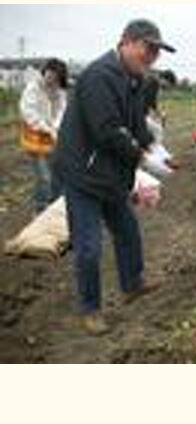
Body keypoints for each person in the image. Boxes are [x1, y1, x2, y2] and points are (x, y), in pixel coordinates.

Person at [53, 19, 176, 334]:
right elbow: (109, 131)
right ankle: (90, 309)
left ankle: (133, 284)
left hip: (110, 175)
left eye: (156, 52)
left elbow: (136, 126)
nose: (152, 57)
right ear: (127, 42)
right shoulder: (99, 76)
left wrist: (158, 151)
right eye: (148, 49)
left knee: (128, 231)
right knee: (89, 246)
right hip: (84, 174)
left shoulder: (134, 79)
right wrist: (143, 159)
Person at [19, 59, 68, 214]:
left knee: (56, 176)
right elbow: (28, 113)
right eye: (49, 73)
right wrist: (47, 128)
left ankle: (54, 209)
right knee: (44, 178)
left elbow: (61, 110)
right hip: (35, 139)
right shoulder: (33, 89)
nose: (51, 78)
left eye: (55, 76)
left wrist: (56, 126)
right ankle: (40, 210)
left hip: (52, 140)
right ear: (45, 71)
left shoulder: (59, 91)